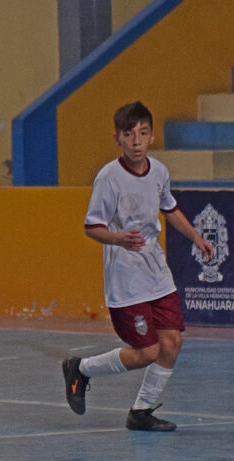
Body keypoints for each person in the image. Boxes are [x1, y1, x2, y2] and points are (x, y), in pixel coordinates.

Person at [62, 101, 213, 431]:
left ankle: (141, 412)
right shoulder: (109, 178)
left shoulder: (159, 172)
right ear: (116, 138)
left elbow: (169, 209)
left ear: (152, 136)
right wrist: (117, 239)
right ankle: (81, 368)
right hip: (125, 280)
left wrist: (196, 239)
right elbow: (92, 226)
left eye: (143, 133)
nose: (136, 141)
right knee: (146, 352)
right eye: (129, 134)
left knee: (171, 343)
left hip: (157, 275)